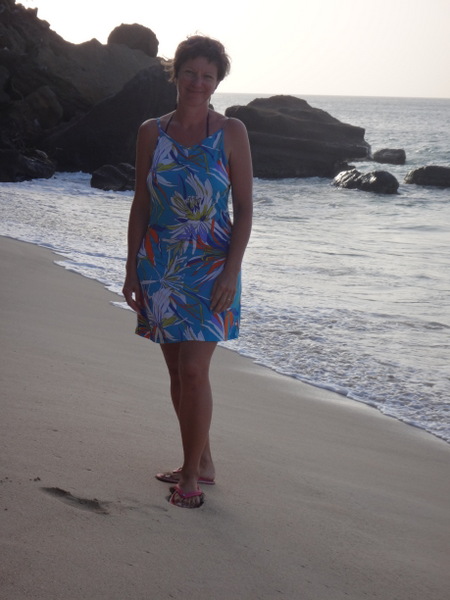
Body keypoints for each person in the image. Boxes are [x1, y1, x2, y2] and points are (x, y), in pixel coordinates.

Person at [122, 35, 253, 509]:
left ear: (218, 82)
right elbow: (142, 201)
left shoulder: (231, 131)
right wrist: (132, 267)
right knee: (179, 374)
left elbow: (244, 208)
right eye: (191, 72)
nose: (199, 82)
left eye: (208, 76)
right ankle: (202, 459)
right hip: (160, 265)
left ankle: (192, 478)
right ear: (175, 74)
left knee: (195, 370)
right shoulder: (151, 132)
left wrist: (231, 273)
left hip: (213, 267)